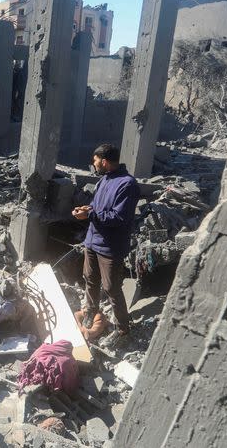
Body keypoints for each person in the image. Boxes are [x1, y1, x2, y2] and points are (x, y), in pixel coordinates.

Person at [71, 144, 140, 348]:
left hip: (110, 246)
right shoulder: (104, 180)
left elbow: (119, 217)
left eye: (95, 161)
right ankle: (91, 313)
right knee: (90, 280)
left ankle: (122, 329)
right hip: (93, 241)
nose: (94, 164)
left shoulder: (128, 184)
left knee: (111, 288)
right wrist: (87, 209)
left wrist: (90, 215)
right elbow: (100, 208)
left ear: (104, 161)